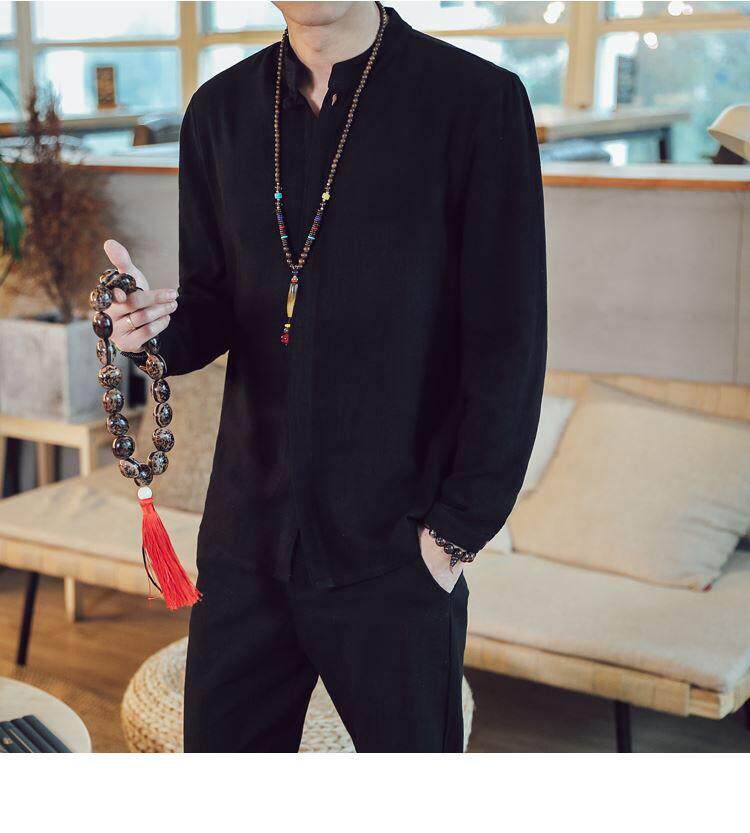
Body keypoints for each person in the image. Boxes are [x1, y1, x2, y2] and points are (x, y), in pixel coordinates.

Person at [104, 1, 546, 753]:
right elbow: (214, 306)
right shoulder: (218, 111)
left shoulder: (476, 101)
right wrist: (146, 328)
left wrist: (454, 535)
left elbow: (509, 339)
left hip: (397, 549)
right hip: (246, 541)